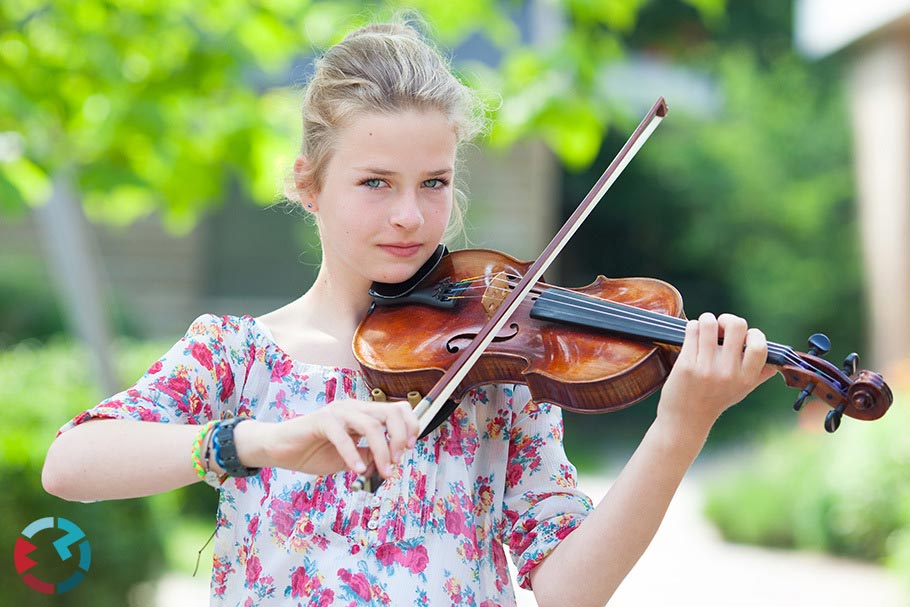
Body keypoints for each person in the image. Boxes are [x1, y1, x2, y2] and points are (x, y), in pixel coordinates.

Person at [42, 18, 775, 607]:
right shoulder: (238, 354)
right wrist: (262, 442)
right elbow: (70, 463)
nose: (409, 215)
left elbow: (569, 591)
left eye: (433, 182)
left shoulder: (498, 370)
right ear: (308, 183)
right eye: (374, 182)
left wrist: (680, 429)